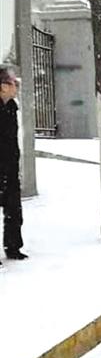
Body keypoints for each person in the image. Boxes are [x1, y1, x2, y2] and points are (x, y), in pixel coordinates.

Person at [0, 66, 27, 262]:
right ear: (2, 86)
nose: (16, 86)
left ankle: (13, 246)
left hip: (10, 166)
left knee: (13, 209)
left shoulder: (11, 107)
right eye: (13, 83)